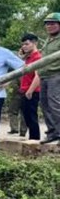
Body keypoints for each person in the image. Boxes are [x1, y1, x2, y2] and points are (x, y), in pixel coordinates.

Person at [38, 13, 60, 144]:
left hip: (56, 75)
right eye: (47, 23)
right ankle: (52, 132)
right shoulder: (48, 40)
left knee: (55, 104)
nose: (49, 26)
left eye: (53, 23)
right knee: (44, 104)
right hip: (44, 76)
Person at [19, 34, 42, 141]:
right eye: (23, 44)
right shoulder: (27, 58)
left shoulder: (37, 57)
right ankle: (32, 137)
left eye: (27, 44)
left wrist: (30, 90)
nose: (24, 46)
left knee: (31, 116)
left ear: (34, 43)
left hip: (32, 91)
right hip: (24, 89)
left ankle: (35, 138)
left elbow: (38, 75)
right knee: (26, 115)